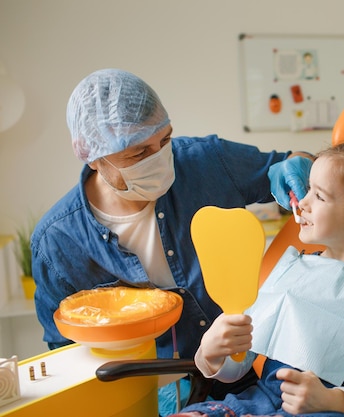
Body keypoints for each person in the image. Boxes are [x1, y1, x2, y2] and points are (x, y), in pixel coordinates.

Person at [30, 68, 313, 414]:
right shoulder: (58, 243)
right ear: (94, 156)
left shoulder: (206, 161)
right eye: (137, 153)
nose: (159, 157)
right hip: (153, 391)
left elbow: (288, 163)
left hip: (251, 373)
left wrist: (297, 166)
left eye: (164, 140)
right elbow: (66, 358)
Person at [175, 141, 344, 417]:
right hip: (264, 403)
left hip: (331, 410)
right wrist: (211, 353)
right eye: (308, 189)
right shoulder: (291, 268)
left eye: (320, 196)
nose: (302, 202)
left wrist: (329, 399)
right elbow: (238, 366)